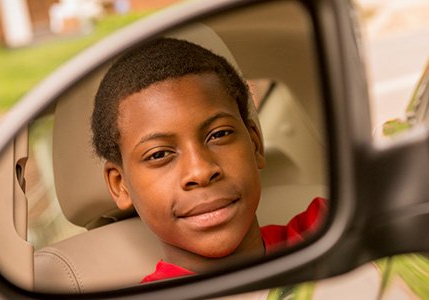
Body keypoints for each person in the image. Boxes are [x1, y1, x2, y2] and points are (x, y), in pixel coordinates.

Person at [90, 38, 327, 283]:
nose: (200, 171)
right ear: (120, 184)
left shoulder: (326, 228)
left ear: (255, 144)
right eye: (159, 154)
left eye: (220, 134)